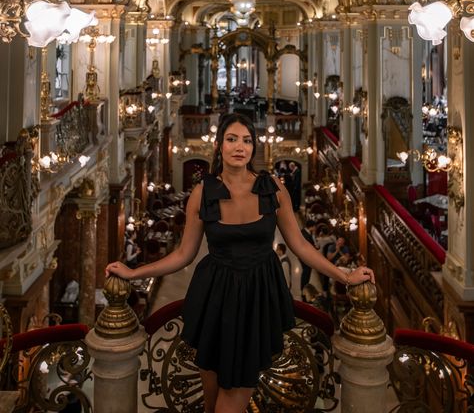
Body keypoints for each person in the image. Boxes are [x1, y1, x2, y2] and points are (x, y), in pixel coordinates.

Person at [106, 113, 374, 413]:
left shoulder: (272, 187)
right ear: (219, 145)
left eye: (246, 140)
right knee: (211, 401)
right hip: (214, 298)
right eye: (232, 139)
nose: (239, 147)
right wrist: (133, 272)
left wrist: (345, 275)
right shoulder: (202, 193)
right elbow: (184, 254)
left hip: (257, 298)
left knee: (230, 402)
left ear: (253, 147)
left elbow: (299, 245)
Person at [299, 219, 318, 298]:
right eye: (315, 227)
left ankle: (304, 288)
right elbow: (308, 246)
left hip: (303, 256)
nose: (315, 229)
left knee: (306, 272)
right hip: (305, 256)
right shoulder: (306, 235)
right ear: (312, 226)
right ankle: (304, 290)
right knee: (306, 272)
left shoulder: (304, 231)